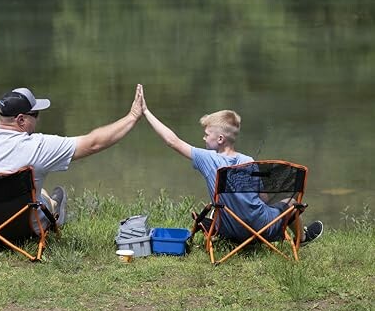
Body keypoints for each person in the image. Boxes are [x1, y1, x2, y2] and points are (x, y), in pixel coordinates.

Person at [138, 84, 323, 245]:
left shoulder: (207, 158)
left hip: (229, 229)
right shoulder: (249, 162)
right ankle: (303, 238)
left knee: (218, 209)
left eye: (206, 134)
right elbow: (264, 199)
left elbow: (172, 141)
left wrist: (146, 111)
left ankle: (295, 237)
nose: (203, 137)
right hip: (261, 228)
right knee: (290, 202)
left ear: (219, 139)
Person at [0, 85, 143, 234]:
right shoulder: (39, 146)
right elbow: (93, 143)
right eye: (35, 114)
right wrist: (133, 117)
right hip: (23, 229)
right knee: (49, 196)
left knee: (37, 190)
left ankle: (47, 202)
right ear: (21, 120)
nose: (38, 119)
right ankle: (54, 208)